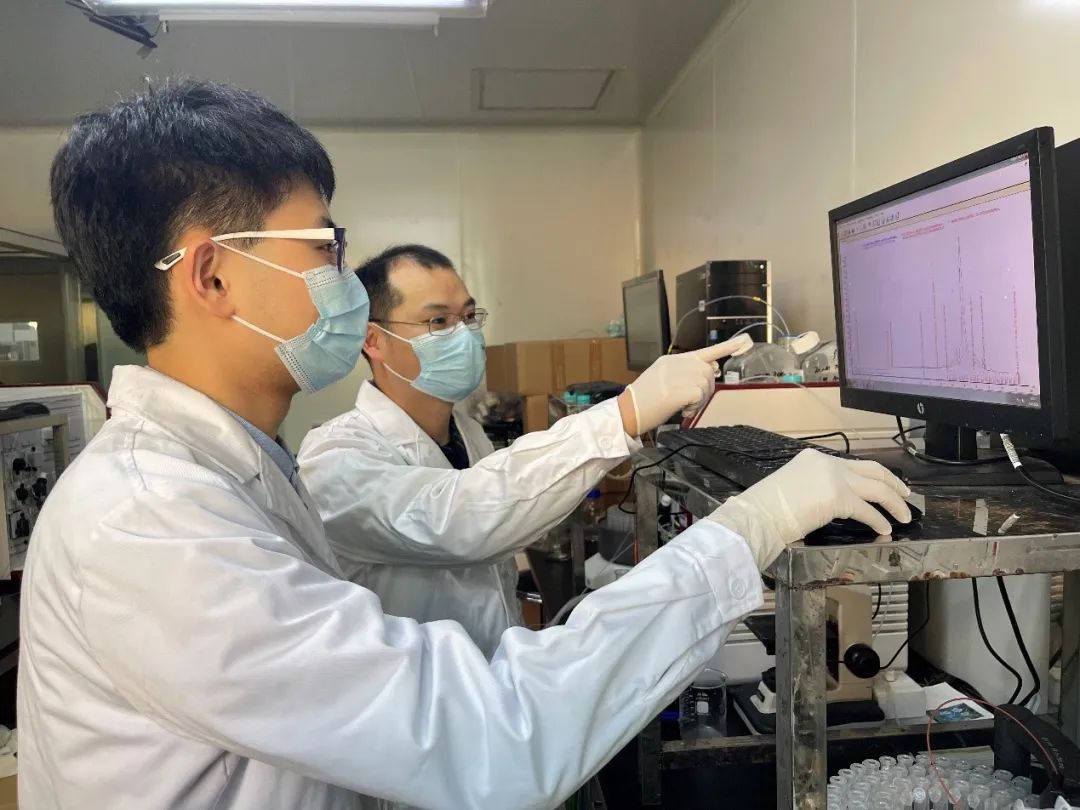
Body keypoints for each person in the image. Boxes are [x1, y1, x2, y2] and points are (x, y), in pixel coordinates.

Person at [18, 78, 911, 810]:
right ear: (213, 275)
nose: (342, 282)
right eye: (324, 248)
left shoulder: (240, 471)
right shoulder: (149, 522)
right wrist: (749, 521)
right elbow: (491, 727)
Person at [298, 244, 754, 656]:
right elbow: (457, 522)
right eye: (438, 322)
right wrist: (624, 414)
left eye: (468, 317)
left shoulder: (466, 431)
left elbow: (497, 507)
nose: (464, 335)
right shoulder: (336, 456)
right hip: (417, 701)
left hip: (491, 677)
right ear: (373, 340)